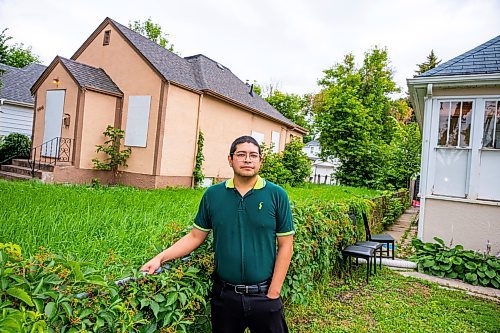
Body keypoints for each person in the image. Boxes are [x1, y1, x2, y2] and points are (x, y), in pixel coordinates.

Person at [141, 135, 294, 333]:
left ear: (260, 161)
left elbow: (286, 245)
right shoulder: (213, 195)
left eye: (253, 155)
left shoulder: (276, 195)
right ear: (230, 160)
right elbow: (195, 236)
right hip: (225, 296)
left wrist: (274, 291)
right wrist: (160, 258)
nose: (248, 159)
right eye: (241, 154)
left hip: (264, 294)